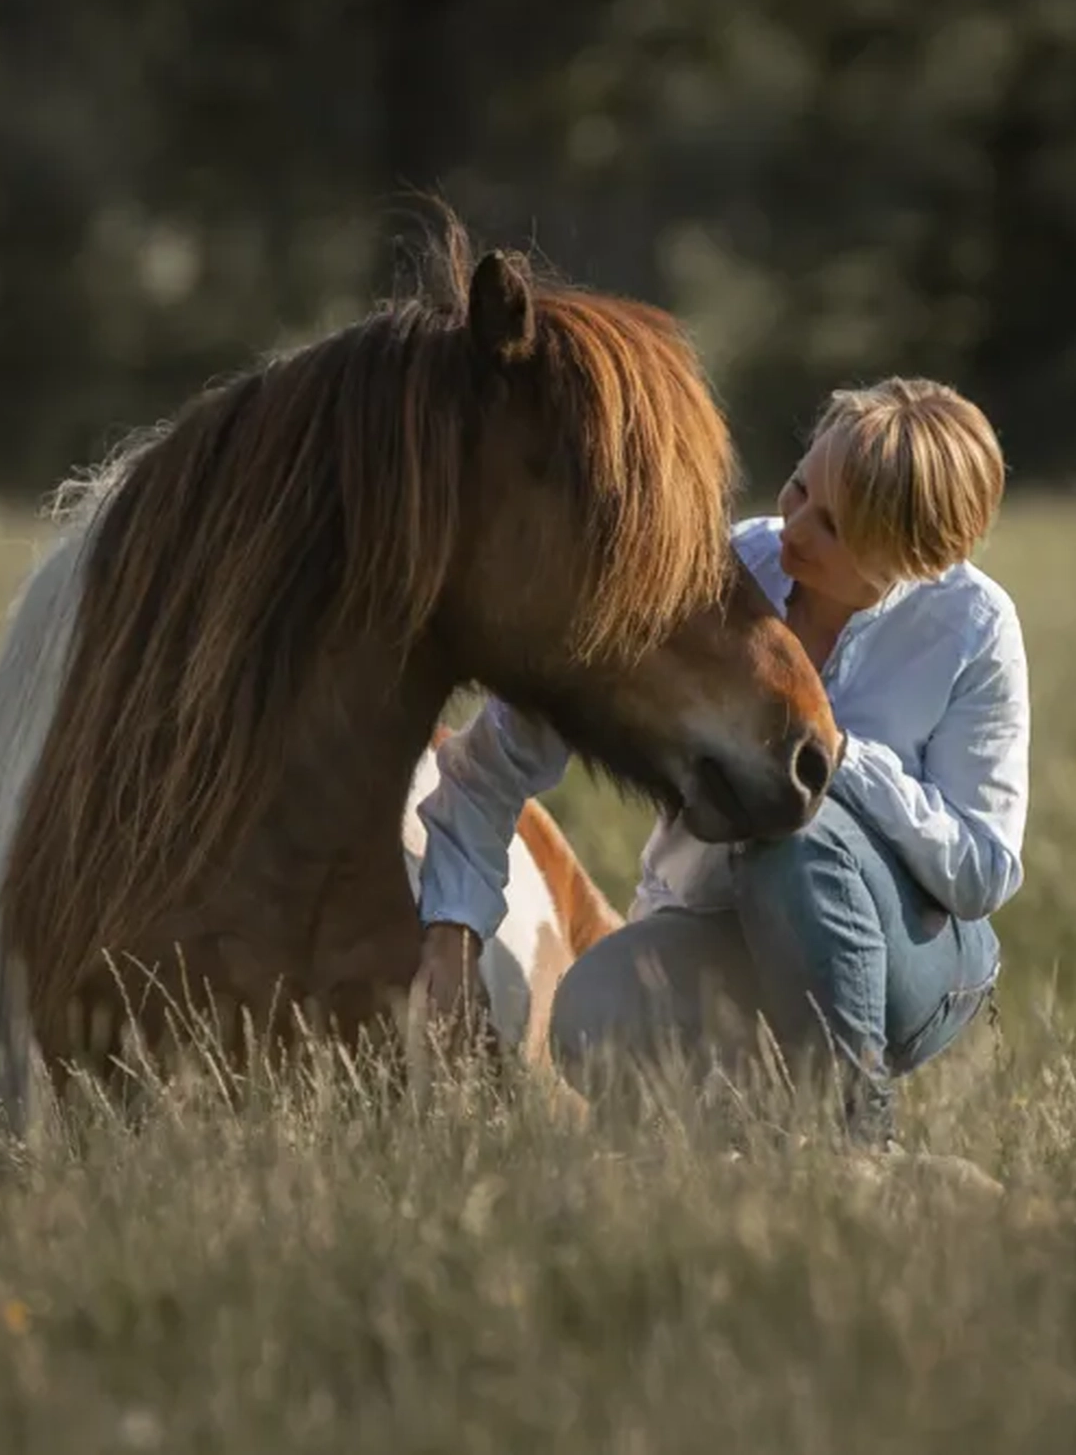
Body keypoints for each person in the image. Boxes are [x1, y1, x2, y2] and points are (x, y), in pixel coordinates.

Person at [413, 377, 1030, 1146]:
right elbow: (496, 758)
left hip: (915, 960)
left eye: (832, 527)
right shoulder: (730, 575)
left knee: (794, 829)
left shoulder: (971, 628)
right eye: (800, 486)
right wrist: (452, 928)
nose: (793, 528)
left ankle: (858, 1144)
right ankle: (760, 1158)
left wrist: (844, 761)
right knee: (591, 1007)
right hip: (722, 932)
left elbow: (982, 872)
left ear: (912, 558)